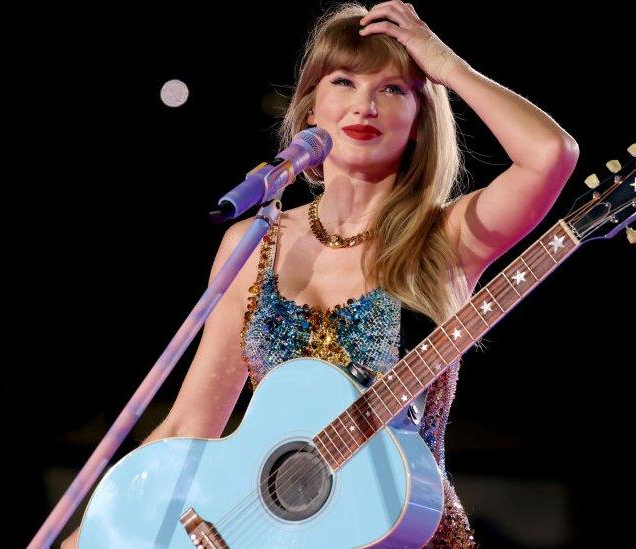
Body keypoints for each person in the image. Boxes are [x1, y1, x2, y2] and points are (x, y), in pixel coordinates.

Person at [61, 1, 578, 547]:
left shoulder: (446, 237)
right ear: (311, 109)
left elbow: (549, 155)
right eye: (344, 81)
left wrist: (443, 63)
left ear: (421, 123)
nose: (365, 106)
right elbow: (190, 426)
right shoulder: (255, 243)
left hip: (404, 533)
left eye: (393, 89)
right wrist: (88, 537)